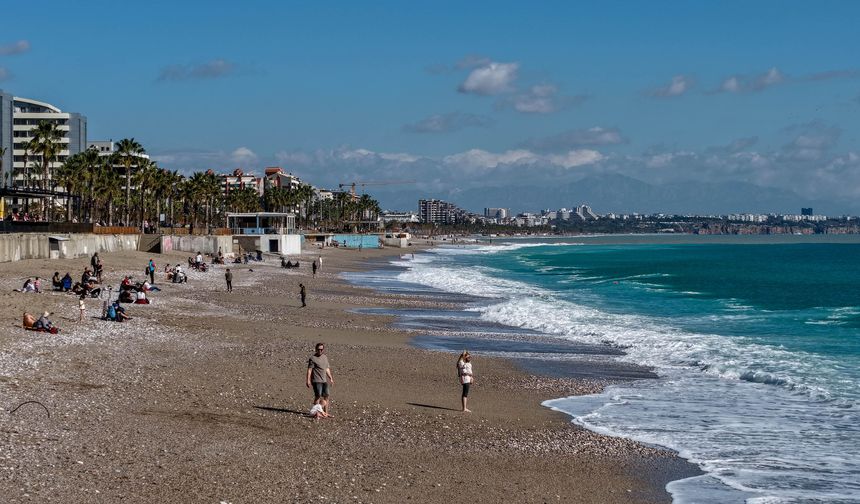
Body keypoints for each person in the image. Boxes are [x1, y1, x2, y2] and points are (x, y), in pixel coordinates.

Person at [306, 343, 334, 415]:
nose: (320, 351)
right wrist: (308, 380)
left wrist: (330, 378)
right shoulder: (312, 358)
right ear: (316, 349)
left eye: (321, 349)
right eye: (318, 349)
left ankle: (326, 412)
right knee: (318, 395)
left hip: (324, 380)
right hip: (316, 380)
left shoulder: (325, 357)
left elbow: (327, 368)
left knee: (326, 396)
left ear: (323, 349)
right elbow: (309, 370)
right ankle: (316, 412)